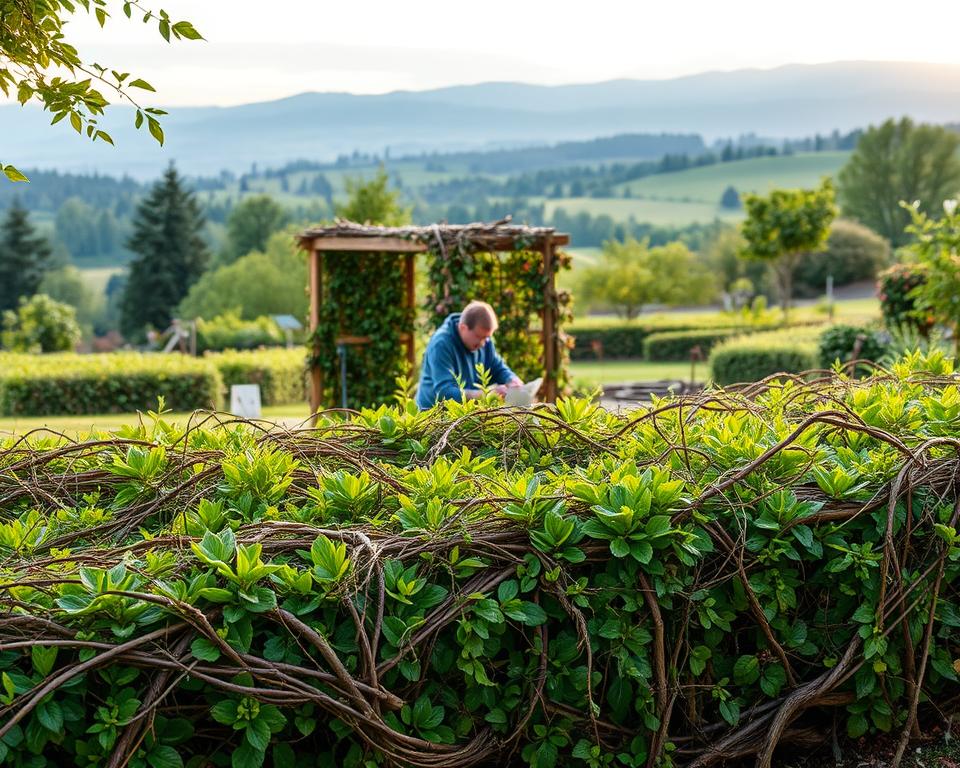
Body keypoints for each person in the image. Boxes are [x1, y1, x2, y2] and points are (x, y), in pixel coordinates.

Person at [416, 300, 523, 409]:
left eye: (487, 337)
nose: (483, 344)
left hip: (462, 414)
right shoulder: (441, 344)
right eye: (479, 337)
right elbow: (446, 393)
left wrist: (512, 381)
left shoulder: (485, 341)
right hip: (432, 417)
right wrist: (486, 394)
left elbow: (497, 368)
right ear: (463, 328)